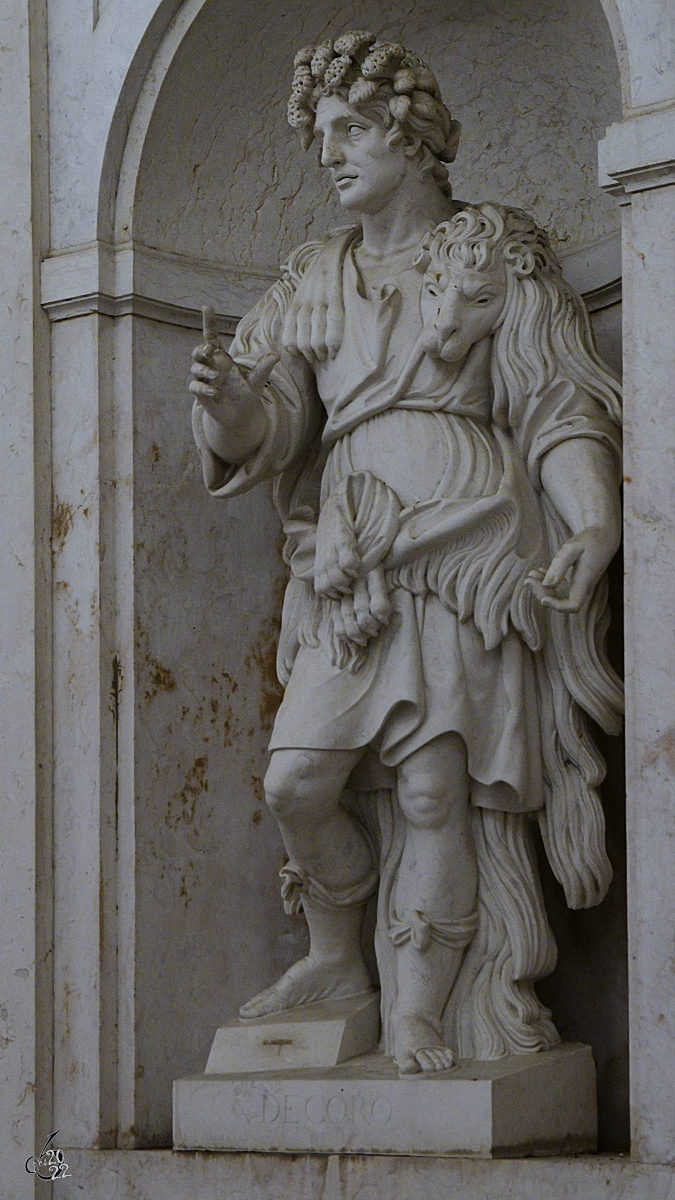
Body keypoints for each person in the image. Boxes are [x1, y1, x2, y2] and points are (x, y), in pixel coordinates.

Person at [189, 32, 622, 1075]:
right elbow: (277, 427)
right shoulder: (312, 275)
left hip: (465, 546)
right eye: (320, 136)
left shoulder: (491, 248)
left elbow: (555, 401)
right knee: (298, 779)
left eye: (351, 130)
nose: (330, 153)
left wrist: (597, 523)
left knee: (435, 791)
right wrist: (235, 406)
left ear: (412, 137)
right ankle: (338, 956)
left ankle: (421, 1011)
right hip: (349, 558)